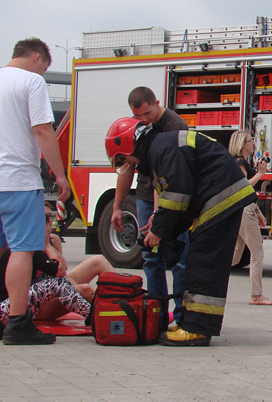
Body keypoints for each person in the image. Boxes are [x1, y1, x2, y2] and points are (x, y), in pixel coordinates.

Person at [105, 117, 256, 346]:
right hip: (220, 198)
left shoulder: (161, 150)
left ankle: (197, 330)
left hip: (221, 200)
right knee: (200, 261)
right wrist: (161, 224)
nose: (129, 163)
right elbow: (181, 196)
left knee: (204, 264)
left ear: (130, 145)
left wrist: (158, 231)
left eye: (124, 158)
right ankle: (190, 322)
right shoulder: (161, 147)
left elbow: (178, 193)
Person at [0, 37, 71, 345]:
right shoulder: (31, 82)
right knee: (23, 250)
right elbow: (42, 130)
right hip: (17, 179)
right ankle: (17, 322)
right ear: (38, 59)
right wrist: (59, 175)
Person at [111, 86, 189, 330]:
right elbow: (125, 166)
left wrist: (159, 216)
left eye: (146, 113)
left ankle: (181, 317)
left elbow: (166, 177)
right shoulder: (137, 128)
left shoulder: (175, 126)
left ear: (156, 102)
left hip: (171, 197)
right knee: (150, 256)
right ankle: (155, 314)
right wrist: (117, 207)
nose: (143, 120)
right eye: (137, 116)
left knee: (178, 257)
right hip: (146, 196)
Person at [228, 130, 272, 305]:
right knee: (257, 253)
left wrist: (259, 213)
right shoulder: (239, 162)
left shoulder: (240, 162)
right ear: (241, 144)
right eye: (250, 140)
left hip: (244, 209)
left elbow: (247, 194)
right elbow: (243, 187)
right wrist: (261, 173)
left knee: (235, 256)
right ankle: (256, 295)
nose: (253, 143)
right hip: (244, 211)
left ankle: (206, 276)